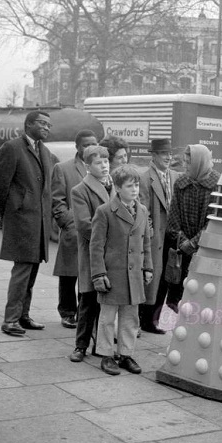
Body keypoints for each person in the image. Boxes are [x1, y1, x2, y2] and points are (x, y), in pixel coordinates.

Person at [0, 111, 54, 336]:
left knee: (32, 269)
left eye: (49, 125)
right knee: (22, 271)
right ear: (28, 124)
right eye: (42, 123)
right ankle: (10, 320)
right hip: (21, 220)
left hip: (39, 222)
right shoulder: (12, 147)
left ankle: (23, 316)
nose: (47, 128)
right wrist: (3, 214)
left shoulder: (44, 151)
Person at [90, 164, 153, 375]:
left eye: (136, 185)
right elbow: (96, 245)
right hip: (112, 274)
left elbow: (146, 243)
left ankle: (126, 354)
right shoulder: (105, 211)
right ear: (117, 187)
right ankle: (106, 355)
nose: (134, 190)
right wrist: (99, 273)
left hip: (134, 275)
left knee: (130, 317)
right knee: (108, 317)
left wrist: (147, 267)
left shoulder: (142, 211)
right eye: (129, 186)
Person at [68, 145, 113, 362]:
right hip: (92, 252)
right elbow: (84, 225)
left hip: (113, 254)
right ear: (87, 166)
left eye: (106, 161)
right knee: (88, 299)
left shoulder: (116, 185)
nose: (104, 166)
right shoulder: (80, 190)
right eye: (98, 162)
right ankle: (80, 345)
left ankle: (102, 344)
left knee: (108, 299)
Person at [52, 129, 98, 329]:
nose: (90, 147)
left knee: (89, 272)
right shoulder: (63, 168)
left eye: (93, 143)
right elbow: (57, 201)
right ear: (77, 147)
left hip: (96, 229)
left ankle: (84, 312)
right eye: (86, 144)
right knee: (69, 273)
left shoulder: (101, 167)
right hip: (74, 229)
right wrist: (69, 221)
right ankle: (67, 311)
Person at [166, 144, 220, 310]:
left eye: (188, 162)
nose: (185, 166)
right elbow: (173, 217)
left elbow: (214, 221)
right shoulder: (181, 182)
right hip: (183, 250)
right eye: (184, 161)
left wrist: (193, 243)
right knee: (181, 299)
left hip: (206, 249)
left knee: (203, 297)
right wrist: (183, 241)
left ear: (199, 163)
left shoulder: (218, 184)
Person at [138, 138, 181, 334]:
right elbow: (143, 210)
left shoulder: (175, 176)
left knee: (165, 278)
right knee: (151, 277)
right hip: (155, 237)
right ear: (153, 155)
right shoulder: (145, 178)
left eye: (169, 154)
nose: (168, 157)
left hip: (171, 236)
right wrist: (149, 231)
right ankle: (145, 320)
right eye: (164, 154)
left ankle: (153, 320)